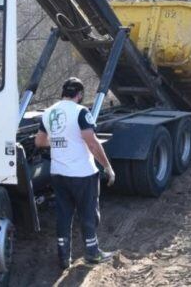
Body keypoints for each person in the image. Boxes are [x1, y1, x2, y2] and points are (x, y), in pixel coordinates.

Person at [35, 77, 117, 269]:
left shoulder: (48, 112)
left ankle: (64, 257)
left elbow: (39, 141)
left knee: (64, 214)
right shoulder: (81, 112)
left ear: (63, 92)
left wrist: (59, 140)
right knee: (88, 213)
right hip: (82, 174)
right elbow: (92, 142)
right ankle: (92, 254)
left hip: (58, 173)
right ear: (79, 95)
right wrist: (108, 167)